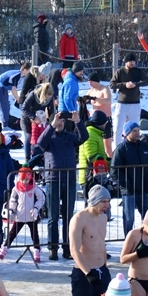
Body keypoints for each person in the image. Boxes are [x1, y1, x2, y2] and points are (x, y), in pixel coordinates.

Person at [35, 110, 85, 259]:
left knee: (69, 217)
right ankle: (53, 248)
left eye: (62, 121)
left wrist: (78, 122)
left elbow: (84, 137)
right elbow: (40, 143)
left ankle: (68, 248)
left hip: (69, 180)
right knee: (53, 217)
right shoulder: (48, 138)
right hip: (53, 180)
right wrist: (51, 126)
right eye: (58, 121)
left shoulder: (70, 137)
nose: (60, 123)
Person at [69, 185, 112, 296]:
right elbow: (74, 250)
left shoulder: (103, 218)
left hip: (102, 271)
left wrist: (105, 268)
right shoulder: (79, 218)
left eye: (108, 201)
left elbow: (101, 244)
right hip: (84, 274)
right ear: (94, 201)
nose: (107, 205)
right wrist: (89, 274)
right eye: (103, 201)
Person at [2, 167, 46, 262]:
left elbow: (41, 198)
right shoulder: (16, 188)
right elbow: (12, 200)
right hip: (20, 215)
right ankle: (4, 248)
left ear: (29, 178)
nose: (24, 182)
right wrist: (12, 210)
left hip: (31, 215)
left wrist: (36, 208)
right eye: (22, 180)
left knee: (35, 235)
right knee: (12, 233)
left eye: (26, 180)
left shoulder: (34, 188)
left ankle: (37, 251)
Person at [110, 52, 147, 139]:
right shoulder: (120, 72)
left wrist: (136, 84)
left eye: (134, 61)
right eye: (130, 61)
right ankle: (117, 146)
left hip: (135, 103)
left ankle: (133, 145)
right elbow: (112, 84)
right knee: (118, 128)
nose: (132, 63)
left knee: (135, 129)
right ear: (126, 62)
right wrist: (124, 84)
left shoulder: (138, 71)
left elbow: (147, 81)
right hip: (122, 104)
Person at [0, 63, 29, 127]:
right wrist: (18, 99)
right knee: (5, 107)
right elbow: (13, 90)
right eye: (28, 71)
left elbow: (13, 89)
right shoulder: (17, 75)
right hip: (0, 87)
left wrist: (16, 98)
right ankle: (5, 124)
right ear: (25, 70)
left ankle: (6, 122)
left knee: (6, 106)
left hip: (2, 88)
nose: (29, 73)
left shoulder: (17, 74)